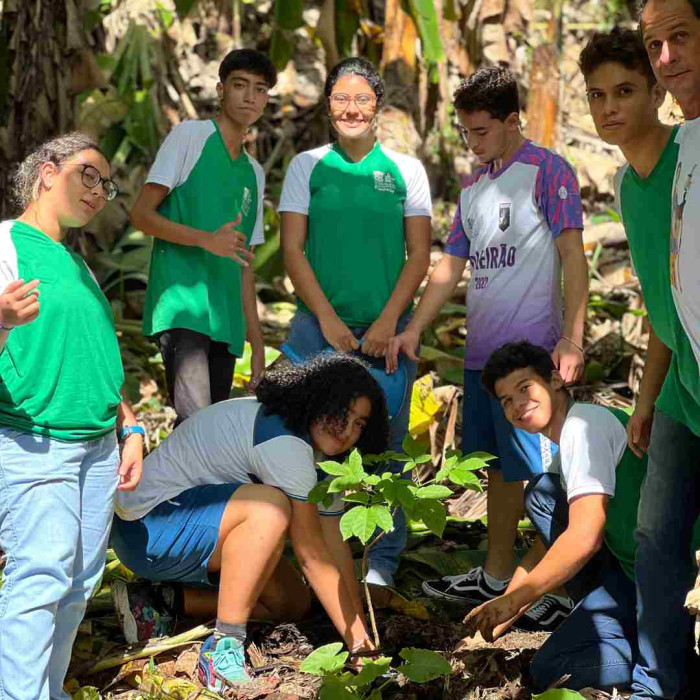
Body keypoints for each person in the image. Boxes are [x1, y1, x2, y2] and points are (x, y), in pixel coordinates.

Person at [389, 66, 588, 628]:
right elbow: (450, 267)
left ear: (510, 121)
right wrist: (414, 329)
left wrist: (573, 336)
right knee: (500, 469)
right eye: (465, 132)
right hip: (483, 362)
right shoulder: (472, 190)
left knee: (550, 479)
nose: (472, 143)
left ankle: (560, 583)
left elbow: (574, 259)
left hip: (533, 359)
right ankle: (499, 575)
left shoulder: (549, 172)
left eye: (480, 131)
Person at [111, 354, 387, 693]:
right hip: (147, 530)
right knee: (269, 509)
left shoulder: (325, 462)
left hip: (189, 528)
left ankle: (163, 601)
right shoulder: (285, 443)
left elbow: (334, 547)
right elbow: (312, 556)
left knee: (292, 602)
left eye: (359, 423)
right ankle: (223, 648)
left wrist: (362, 635)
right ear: (317, 400)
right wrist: (359, 645)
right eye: (341, 413)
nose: (346, 431)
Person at [278, 56, 432, 587]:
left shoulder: (406, 171)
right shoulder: (307, 166)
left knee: (384, 449)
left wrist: (388, 322)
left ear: (378, 106)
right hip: (315, 332)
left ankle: (381, 567)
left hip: (384, 336)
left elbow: (418, 255)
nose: (351, 109)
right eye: (341, 98)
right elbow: (292, 250)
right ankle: (308, 559)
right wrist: (326, 319)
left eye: (362, 99)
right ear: (328, 105)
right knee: (299, 441)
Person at [0, 133, 143, 700]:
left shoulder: (79, 266)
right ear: (47, 172)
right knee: (40, 578)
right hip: (35, 439)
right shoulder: (8, 243)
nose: (99, 191)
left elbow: (96, 355)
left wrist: (129, 425)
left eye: (106, 185)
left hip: (98, 446)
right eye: (89, 175)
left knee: (78, 584)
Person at [581, 23, 700, 699]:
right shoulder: (629, 185)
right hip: (681, 391)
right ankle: (660, 683)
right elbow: (663, 308)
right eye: (597, 96)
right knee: (656, 537)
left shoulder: (691, 152)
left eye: (626, 90)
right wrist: (647, 400)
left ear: (658, 89)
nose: (610, 109)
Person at [463, 341, 652, 693]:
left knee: (552, 670)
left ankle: (668, 659)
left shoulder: (584, 427)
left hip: (655, 578)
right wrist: (503, 613)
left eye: (525, 388)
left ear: (555, 381)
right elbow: (544, 545)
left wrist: (514, 601)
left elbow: (584, 535)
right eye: (506, 400)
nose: (518, 405)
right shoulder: (567, 444)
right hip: (625, 574)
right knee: (542, 493)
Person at [131, 49, 276, 426]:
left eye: (260, 89)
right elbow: (141, 214)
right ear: (221, 90)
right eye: (240, 85)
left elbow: (246, 264)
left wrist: (257, 342)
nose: (249, 96)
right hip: (183, 307)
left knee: (208, 432)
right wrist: (205, 239)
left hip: (226, 321)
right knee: (195, 424)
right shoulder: (191, 137)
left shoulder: (254, 173)